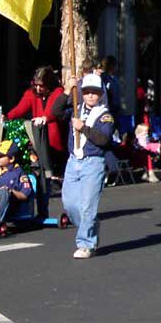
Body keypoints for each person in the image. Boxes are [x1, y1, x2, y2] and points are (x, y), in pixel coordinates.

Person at [51, 73, 114, 259]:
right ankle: (91, 225)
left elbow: (104, 139)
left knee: (88, 206)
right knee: (70, 203)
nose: (90, 96)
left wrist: (83, 128)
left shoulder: (105, 115)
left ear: (101, 93)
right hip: (73, 161)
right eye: (86, 92)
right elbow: (55, 112)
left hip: (93, 163)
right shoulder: (76, 109)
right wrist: (65, 91)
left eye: (94, 92)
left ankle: (86, 244)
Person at [7, 66, 66, 177]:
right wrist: (6, 117)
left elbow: (53, 112)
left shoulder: (58, 92)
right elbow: (20, 109)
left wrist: (45, 118)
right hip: (38, 135)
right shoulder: (31, 93)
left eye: (41, 86)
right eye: (36, 85)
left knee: (53, 131)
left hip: (55, 135)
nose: (38, 88)